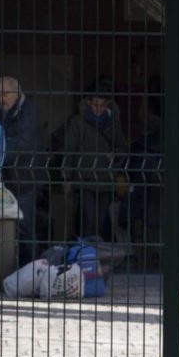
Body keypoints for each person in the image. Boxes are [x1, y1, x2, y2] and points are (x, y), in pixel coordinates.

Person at [61, 76, 128, 242]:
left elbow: (123, 148)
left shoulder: (113, 123)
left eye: (103, 105)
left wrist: (115, 154)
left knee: (100, 220)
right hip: (85, 178)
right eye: (96, 105)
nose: (99, 109)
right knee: (89, 220)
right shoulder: (78, 123)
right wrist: (67, 177)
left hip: (106, 178)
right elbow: (70, 150)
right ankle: (88, 254)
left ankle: (95, 255)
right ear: (89, 103)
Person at [0, 75, 43, 265]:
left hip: (25, 179)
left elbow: (21, 145)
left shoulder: (28, 113)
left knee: (24, 228)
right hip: (7, 178)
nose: (1, 99)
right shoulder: (0, 111)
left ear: (17, 93)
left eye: (5, 94)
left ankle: (33, 271)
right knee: (7, 228)